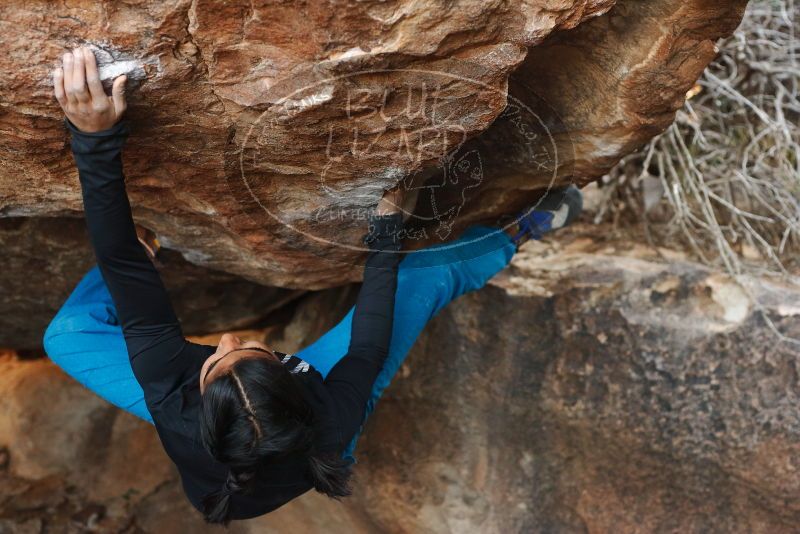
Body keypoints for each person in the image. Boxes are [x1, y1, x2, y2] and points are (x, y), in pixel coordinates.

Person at [43, 46, 583, 525]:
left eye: (217, 358)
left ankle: (152, 256)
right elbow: (370, 338)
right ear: (290, 371)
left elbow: (122, 272)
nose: (226, 339)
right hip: (297, 424)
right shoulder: (333, 414)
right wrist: (386, 229)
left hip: (218, 415)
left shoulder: (169, 392)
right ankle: (517, 232)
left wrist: (93, 138)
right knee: (424, 275)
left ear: (203, 403)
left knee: (67, 335)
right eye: (246, 350)